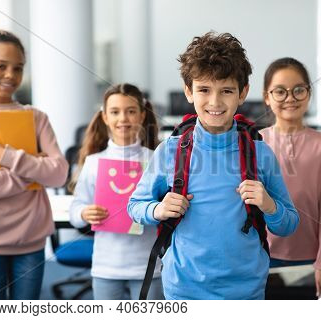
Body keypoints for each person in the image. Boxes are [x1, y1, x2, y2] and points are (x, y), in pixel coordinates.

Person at [128, 32, 299, 300]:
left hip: (246, 290)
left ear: (242, 93)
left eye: (227, 91)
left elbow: (289, 224)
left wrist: (270, 205)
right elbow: (134, 207)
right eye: (204, 90)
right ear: (188, 91)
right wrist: (158, 209)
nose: (215, 102)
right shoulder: (169, 152)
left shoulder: (260, 153)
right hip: (183, 288)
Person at [0, 29, 68, 299]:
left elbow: (58, 175)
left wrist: (5, 156)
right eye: (1, 66)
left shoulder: (36, 117)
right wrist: (31, 173)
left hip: (31, 241)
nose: (10, 75)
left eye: (18, 68)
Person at [69, 83, 164, 300]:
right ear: (105, 117)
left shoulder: (156, 160)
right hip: (106, 267)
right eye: (115, 112)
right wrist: (84, 213)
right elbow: (75, 210)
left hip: (148, 265)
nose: (123, 119)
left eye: (131, 111)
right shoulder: (93, 163)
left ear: (141, 115)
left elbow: (166, 208)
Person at [259, 57, 321, 297]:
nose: (290, 98)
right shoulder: (255, 142)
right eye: (280, 91)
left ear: (308, 93)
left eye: (298, 90)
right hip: (260, 256)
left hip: (309, 259)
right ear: (267, 97)